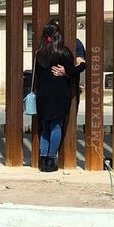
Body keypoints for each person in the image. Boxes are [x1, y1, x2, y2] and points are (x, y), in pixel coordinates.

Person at [34, 20, 86, 172]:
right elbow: (72, 71)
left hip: (43, 94)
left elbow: (37, 75)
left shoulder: (39, 53)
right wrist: (82, 63)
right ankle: (51, 159)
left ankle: (43, 160)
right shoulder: (63, 52)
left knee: (45, 127)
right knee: (56, 126)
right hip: (59, 94)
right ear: (58, 35)